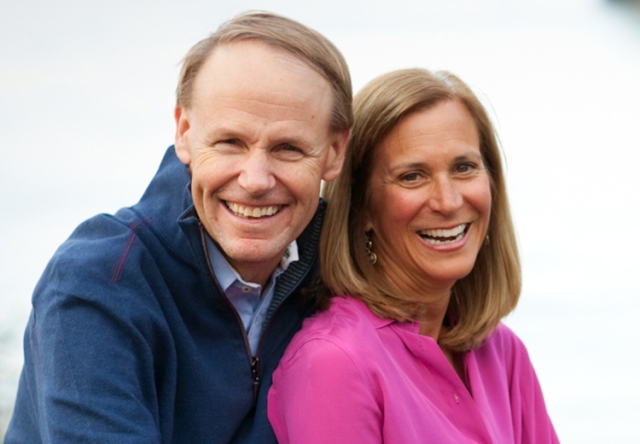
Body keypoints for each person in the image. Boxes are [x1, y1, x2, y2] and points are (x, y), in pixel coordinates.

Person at [5, 11, 351, 443]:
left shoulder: (345, 268)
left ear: (335, 152)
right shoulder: (96, 281)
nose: (256, 179)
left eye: (288, 148)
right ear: (184, 133)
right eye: (230, 142)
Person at [268, 68, 559, 443]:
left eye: (464, 168)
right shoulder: (335, 363)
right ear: (363, 209)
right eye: (412, 176)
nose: (449, 201)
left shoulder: (503, 353)